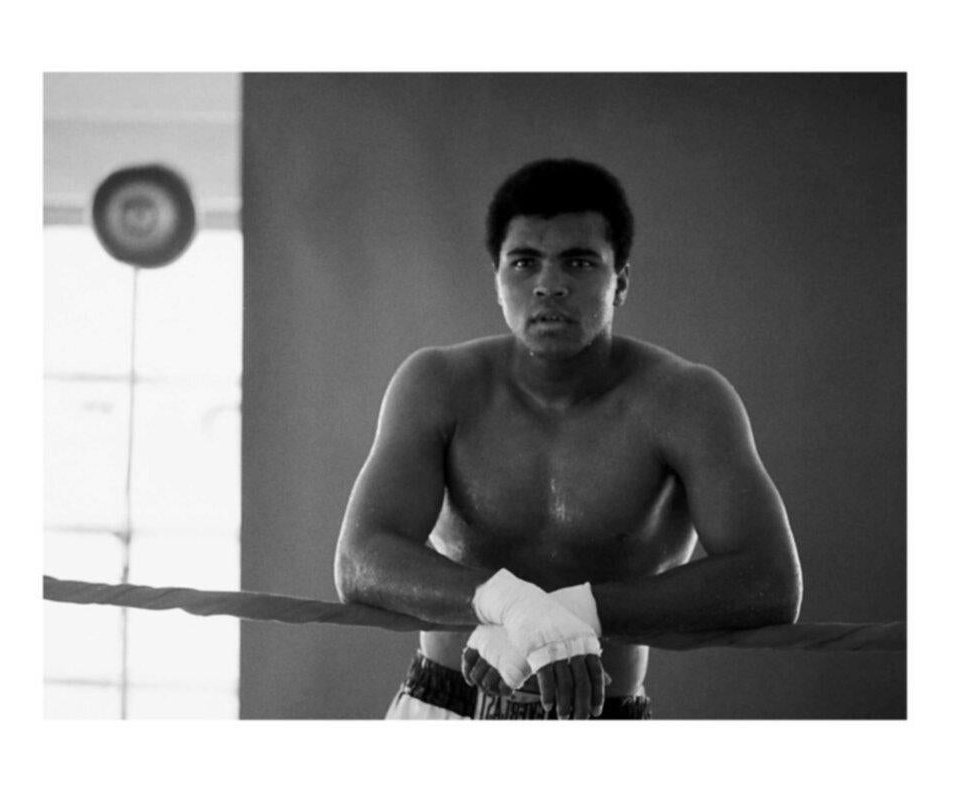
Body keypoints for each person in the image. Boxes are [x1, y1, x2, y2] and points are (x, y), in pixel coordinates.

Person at [334, 158, 802, 720]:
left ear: (620, 280)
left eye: (579, 262)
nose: (549, 285)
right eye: (524, 262)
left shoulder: (687, 400)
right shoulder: (436, 384)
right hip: (446, 706)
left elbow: (770, 581)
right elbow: (361, 561)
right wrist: (510, 606)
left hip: (599, 716)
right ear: (498, 279)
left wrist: (577, 611)